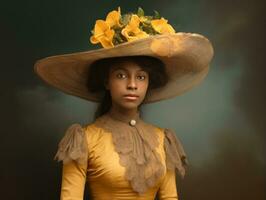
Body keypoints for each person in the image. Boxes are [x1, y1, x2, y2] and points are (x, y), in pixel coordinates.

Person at [34, 7, 213, 200]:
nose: (132, 85)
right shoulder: (85, 139)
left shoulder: (164, 140)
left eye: (141, 77)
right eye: (121, 75)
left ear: (149, 83)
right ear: (106, 81)